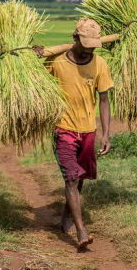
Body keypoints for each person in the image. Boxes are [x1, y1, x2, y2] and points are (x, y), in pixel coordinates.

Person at [35, 18, 113, 250]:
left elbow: (104, 100)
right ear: (75, 38)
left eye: (93, 44)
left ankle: (67, 215)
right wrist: (35, 55)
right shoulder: (56, 61)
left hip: (88, 130)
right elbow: (33, 77)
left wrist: (106, 133)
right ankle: (81, 231)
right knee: (71, 177)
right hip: (63, 129)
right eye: (85, 42)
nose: (89, 47)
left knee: (79, 178)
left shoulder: (99, 64)